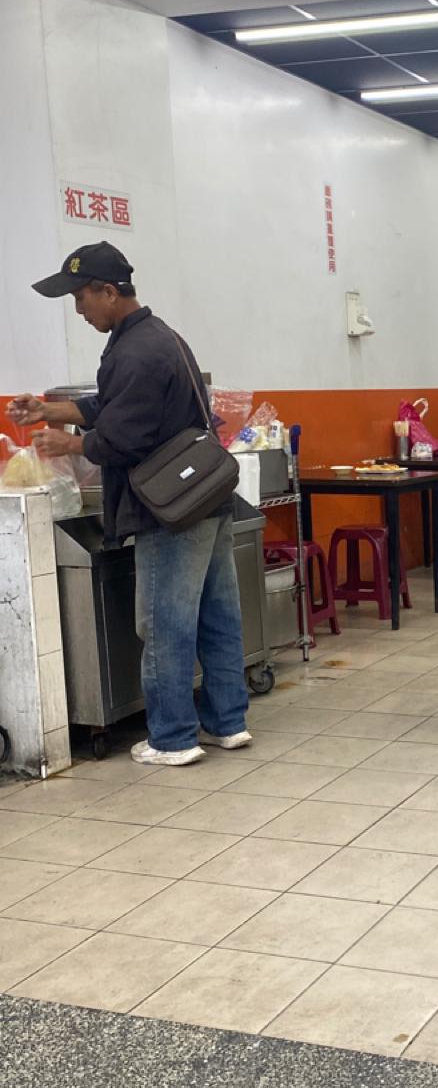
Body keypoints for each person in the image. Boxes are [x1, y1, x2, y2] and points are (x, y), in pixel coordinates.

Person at [8, 241, 249, 767]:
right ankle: (227, 722)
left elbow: (123, 436)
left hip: (171, 511)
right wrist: (48, 410)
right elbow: (110, 406)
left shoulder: (136, 350)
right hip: (206, 497)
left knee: (164, 623)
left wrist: (68, 444)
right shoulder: (158, 337)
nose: (79, 309)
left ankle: (173, 738)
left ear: (109, 291)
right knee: (216, 615)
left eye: (81, 297)